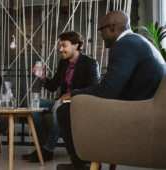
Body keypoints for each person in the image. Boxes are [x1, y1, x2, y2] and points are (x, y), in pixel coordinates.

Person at [56, 10, 166, 170]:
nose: (101, 35)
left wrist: (73, 94)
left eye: (101, 30)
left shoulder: (124, 45)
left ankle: (82, 165)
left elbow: (108, 90)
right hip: (148, 109)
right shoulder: (139, 41)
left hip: (137, 113)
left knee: (66, 110)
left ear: (112, 28)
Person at [22, 31, 100, 163]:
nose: (60, 49)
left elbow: (93, 89)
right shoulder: (63, 63)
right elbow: (53, 85)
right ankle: (42, 148)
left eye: (64, 45)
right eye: (60, 46)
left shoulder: (90, 63)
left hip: (78, 103)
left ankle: (48, 149)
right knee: (34, 104)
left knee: (58, 107)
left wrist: (69, 97)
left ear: (75, 46)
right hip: (61, 101)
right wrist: (42, 78)